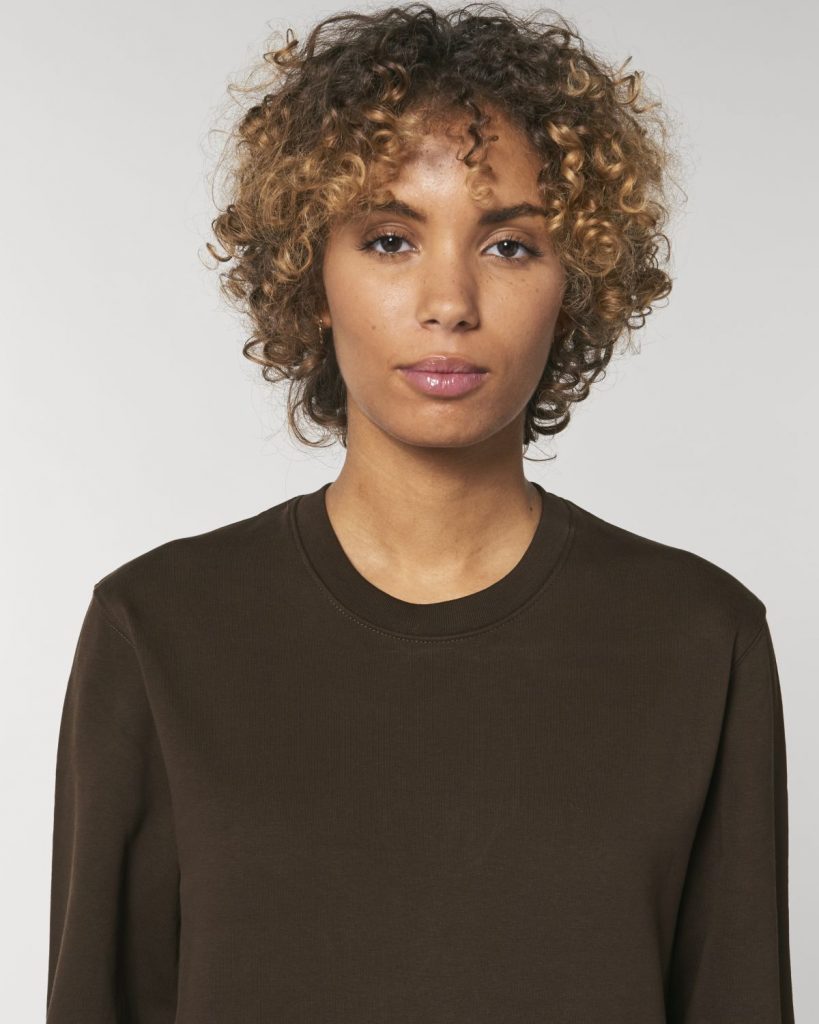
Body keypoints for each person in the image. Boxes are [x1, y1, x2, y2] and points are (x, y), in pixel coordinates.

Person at [46, 4, 795, 1022]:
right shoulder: (159, 629)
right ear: (311, 273)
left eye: (511, 246)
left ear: (576, 282)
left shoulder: (699, 639)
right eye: (390, 239)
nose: (449, 301)